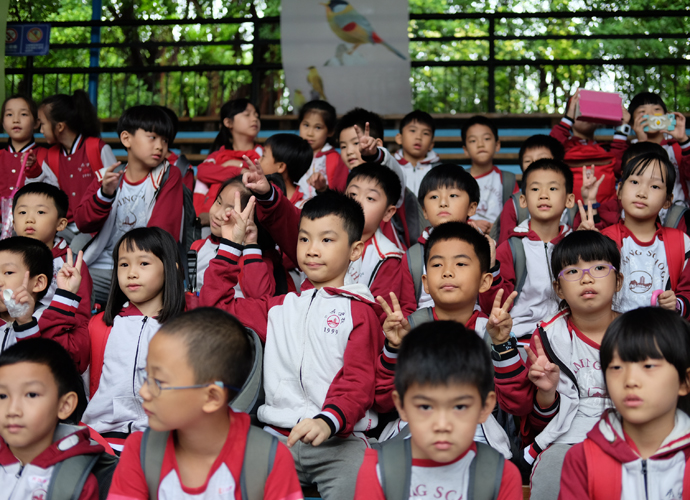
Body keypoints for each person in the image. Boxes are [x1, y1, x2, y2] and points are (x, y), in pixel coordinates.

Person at [199, 188, 382, 500]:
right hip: (276, 439)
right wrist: (231, 246)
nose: (312, 250)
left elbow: (359, 381)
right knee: (225, 481)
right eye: (304, 239)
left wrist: (328, 420)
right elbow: (215, 309)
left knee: (361, 484)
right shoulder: (279, 307)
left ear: (355, 250)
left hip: (338, 440)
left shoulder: (361, 311)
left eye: (327, 240)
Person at [107, 308, 303, 499]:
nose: (143, 392)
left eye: (158, 382)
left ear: (212, 398)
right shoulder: (140, 451)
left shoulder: (267, 459)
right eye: (146, 376)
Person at [491, 230, 622, 499]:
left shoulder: (639, 333)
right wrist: (547, 392)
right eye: (572, 271)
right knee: (551, 473)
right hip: (567, 438)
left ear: (618, 280)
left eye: (599, 268)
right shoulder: (548, 338)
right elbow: (540, 422)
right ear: (558, 288)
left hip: (630, 432)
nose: (586, 278)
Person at [376, 221, 516, 458]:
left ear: (484, 281)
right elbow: (382, 401)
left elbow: (517, 405)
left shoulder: (492, 331)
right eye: (437, 264)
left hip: (477, 432)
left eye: (460, 263)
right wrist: (394, 348)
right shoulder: (408, 329)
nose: (447, 272)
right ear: (425, 283)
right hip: (414, 429)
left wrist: (502, 345)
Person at [354, 322, 522, 500]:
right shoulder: (378, 471)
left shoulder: (501, 477)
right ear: (402, 406)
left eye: (459, 407)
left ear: (484, 408)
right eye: (425, 407)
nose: (442, 425)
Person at [246, 154, 413, 319]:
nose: (358, 202)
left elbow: (380, 314)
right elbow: (288, 220)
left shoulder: (387, 257)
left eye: (370, 198)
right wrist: (267, 194)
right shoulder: (316, 230)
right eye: (353, 194)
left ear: (388, 212)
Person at [559, 307, 690, 500]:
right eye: (616, 367)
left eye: (648, 366)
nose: (630, 381)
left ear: (685, 382)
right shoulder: (583, 460)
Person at [82, 227, 186, 453]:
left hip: (162, 442)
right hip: (101, 438)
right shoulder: (101, 325)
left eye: (143, 263)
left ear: (171, 269)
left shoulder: (186, 327)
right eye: (123, 264)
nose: (131, 273)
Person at [73, 105, 183, 305]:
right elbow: (82, 222)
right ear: (126, 139)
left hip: (141, 269)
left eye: (165, 140)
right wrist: (105, 195)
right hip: (102, 267)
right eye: (152, 137)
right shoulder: (107, 177)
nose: (160, 146)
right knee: (68, 283)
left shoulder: (168, 175)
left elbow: (162, 231)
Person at [479, 158, 575, 343]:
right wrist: (492, 270)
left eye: (553, 188)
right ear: (523, 200)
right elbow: (493, 305)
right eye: (535, 189)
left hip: (567, 337)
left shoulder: (576, 245)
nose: (543, 195)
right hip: (519, 337)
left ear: (569, 200)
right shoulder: (511, 248)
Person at [0, 338, 106, 499]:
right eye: (2, 396)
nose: (12, 410)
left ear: (64, 405)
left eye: (31, 394)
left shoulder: (76, 483)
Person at [599, 150, 690, 317]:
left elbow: (688, 290)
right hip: (615, 330)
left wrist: (677, 304)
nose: (642, 193)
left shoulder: (682, 242)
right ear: (619, 190)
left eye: (655, 186)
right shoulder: (603, 240)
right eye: (634, 182)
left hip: (663, 330)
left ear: (667, 201)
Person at [25, 91, 117, 238]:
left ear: (60, 126)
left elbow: (117, 190)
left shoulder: (97, 148)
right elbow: (46, 194)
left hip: (98, 228)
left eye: (43, 124)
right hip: (64, 228)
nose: (40, 130)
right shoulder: (52, 156)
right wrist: (33, 171)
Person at [397, 165, 481, 311]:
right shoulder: (413, 257)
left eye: (453, 195)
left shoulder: (483, 249)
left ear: (471, 208)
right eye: (434, 197)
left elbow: (490, 303)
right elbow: (407, 308)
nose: (443, 203)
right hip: (425, 323)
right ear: (424, 211)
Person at [0, 236, 89, 372]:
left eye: (8, 272)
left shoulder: (46, 319)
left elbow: (59, 368)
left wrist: (65, 297)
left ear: (38, 283)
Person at [12, 182, 93, 325]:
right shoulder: (6, 259)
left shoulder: (71, 265)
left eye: (40, 212)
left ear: (60, 224)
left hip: (55, 331)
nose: (29, 219)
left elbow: (81, 315)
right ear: (13, 223)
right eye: (22, 212)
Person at [190, 176, 281, 296]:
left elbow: (261, 299)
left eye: (230, 211)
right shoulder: (198, 247)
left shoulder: (254, 261)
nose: (217, 214)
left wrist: (251, 246)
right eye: (218, 202)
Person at [194, 99, 262, 219]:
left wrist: (231, 165)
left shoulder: (262, 154)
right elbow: (202, 172)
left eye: (256, 115)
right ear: (228, 122)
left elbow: (263, 176)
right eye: (247, 114)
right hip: (209, 217)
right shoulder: (219, 154)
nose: (254, 119)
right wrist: (240, 170)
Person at [495, 134, 565, 244]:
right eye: (528, 161)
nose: (535, 165)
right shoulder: (514, 204)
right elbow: (506, 244)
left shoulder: (570, 205)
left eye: (542, 160)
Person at [625, 92, 690, 209]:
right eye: (642, 111)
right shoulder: (630, 148)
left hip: (676, 210)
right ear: (632, 122)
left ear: (666, 116)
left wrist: (684, 141)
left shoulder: (677, 147)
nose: (650, 114)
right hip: (640, 207)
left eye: (656, 109)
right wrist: (642, 142)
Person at [462, 115, 518, 234]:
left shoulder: (507, 180)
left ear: (497, 145)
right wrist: (469, 223)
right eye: (473, 140)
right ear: (465, 150)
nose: (480, 144)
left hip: (499, 239)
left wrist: (499, 227)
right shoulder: (458, 179)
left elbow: (517, 214)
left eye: (486, 138)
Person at [296, 100, 349, 199]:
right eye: (306, 125)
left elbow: (340, 194)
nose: (310, 133)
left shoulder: (336, 159)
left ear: (330, 131)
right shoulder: (292, 155)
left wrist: (323, 188)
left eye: (318, 127)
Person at [0, 94, 47, 200]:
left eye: (23, 114)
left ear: (36, 123)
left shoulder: (46, 155)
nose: (16, 120)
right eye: (9, 114)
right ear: (3, 123)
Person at [393, 110, 442, 196]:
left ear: (431, 144)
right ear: (399, 138)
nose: (418, 137)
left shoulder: (439, 171)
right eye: (413, 130)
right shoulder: (391, 167)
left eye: (425, 133)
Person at [259, 133, 313, 207]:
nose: (258, 160)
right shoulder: (257, 195)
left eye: (263, 156)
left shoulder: (301, 207)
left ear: (281, 166)